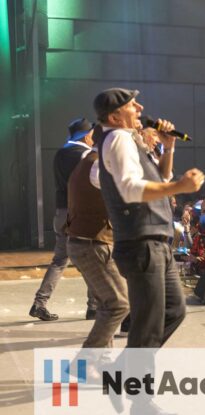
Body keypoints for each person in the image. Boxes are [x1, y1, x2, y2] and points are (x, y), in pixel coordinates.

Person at [94, 88, 204, 415]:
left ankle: (119, 373)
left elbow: (160, 179)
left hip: (156, 241)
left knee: (173, 311)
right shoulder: (118, 139)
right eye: (132, 105)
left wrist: (168, 148)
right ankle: (141, 402)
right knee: (148, 325)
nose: (140, 107)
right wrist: (181, 188)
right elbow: (131, 189)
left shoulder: (129, 140)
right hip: (141, 242)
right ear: (115, 116)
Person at [65, 126, 129, 348]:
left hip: (86, 241)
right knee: (119, 304)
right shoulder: (98, 166)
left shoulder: (89, 161)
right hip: (92, 244)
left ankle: (102, 359)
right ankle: (87, 359)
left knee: (107, 304)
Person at [29, 118, 97, 321]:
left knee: (60, 260)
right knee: (91, 260)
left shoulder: (60, 153)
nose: (94, 137)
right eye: (92, 134)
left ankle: (39, 303)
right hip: (78, 214)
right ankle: (94, 307)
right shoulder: (85, 155)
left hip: (61, 213)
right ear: (86, 135)